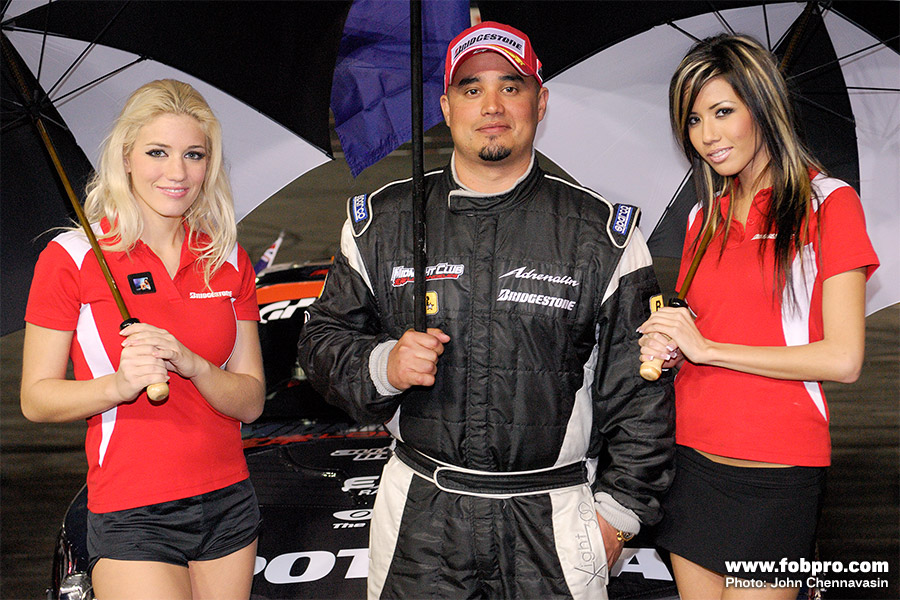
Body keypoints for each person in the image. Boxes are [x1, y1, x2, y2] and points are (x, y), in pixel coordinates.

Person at [298, 21, 674, 600]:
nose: (492, 106)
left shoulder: (604, 234)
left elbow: (642, 396)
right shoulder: (382, 221)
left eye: (511, 86)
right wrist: (383, 366)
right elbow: (321, 343)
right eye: (471, 89)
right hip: (419, 518)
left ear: (540, 103)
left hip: (553, 519)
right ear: (446, 108)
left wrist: (618, 519)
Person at [637, 34, 880, 600]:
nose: (707, 135)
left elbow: (843, 359)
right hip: (690, 459)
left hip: (777, 471)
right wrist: (670, 346)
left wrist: (707, 349)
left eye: (723, 112)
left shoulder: (829, 203)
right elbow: (703, 332)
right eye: (693, 119)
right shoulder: (702, 218)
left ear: (763, 107)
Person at [20, 80, 265, 600]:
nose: (177, 172)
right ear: (126, 156)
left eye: (194, 154)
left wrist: (194, 364)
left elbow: (250, 402)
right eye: (158, 152)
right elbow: (36, 399)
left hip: (229, 502)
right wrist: (119, 384)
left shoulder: (226, 258)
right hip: (133, 511)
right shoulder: (73, 257)